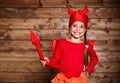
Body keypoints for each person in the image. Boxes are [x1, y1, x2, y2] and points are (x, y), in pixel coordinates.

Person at [40, 5, 98, 83]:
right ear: (69, 27)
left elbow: (95, 58)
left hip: (78, 80)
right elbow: (55, 60)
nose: (77, 29)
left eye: (81, 27)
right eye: (74, 26)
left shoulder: (86, 46)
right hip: (62, 80)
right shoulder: (61, 43)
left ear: (85, 30)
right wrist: (48, 61)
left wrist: (87, 71)